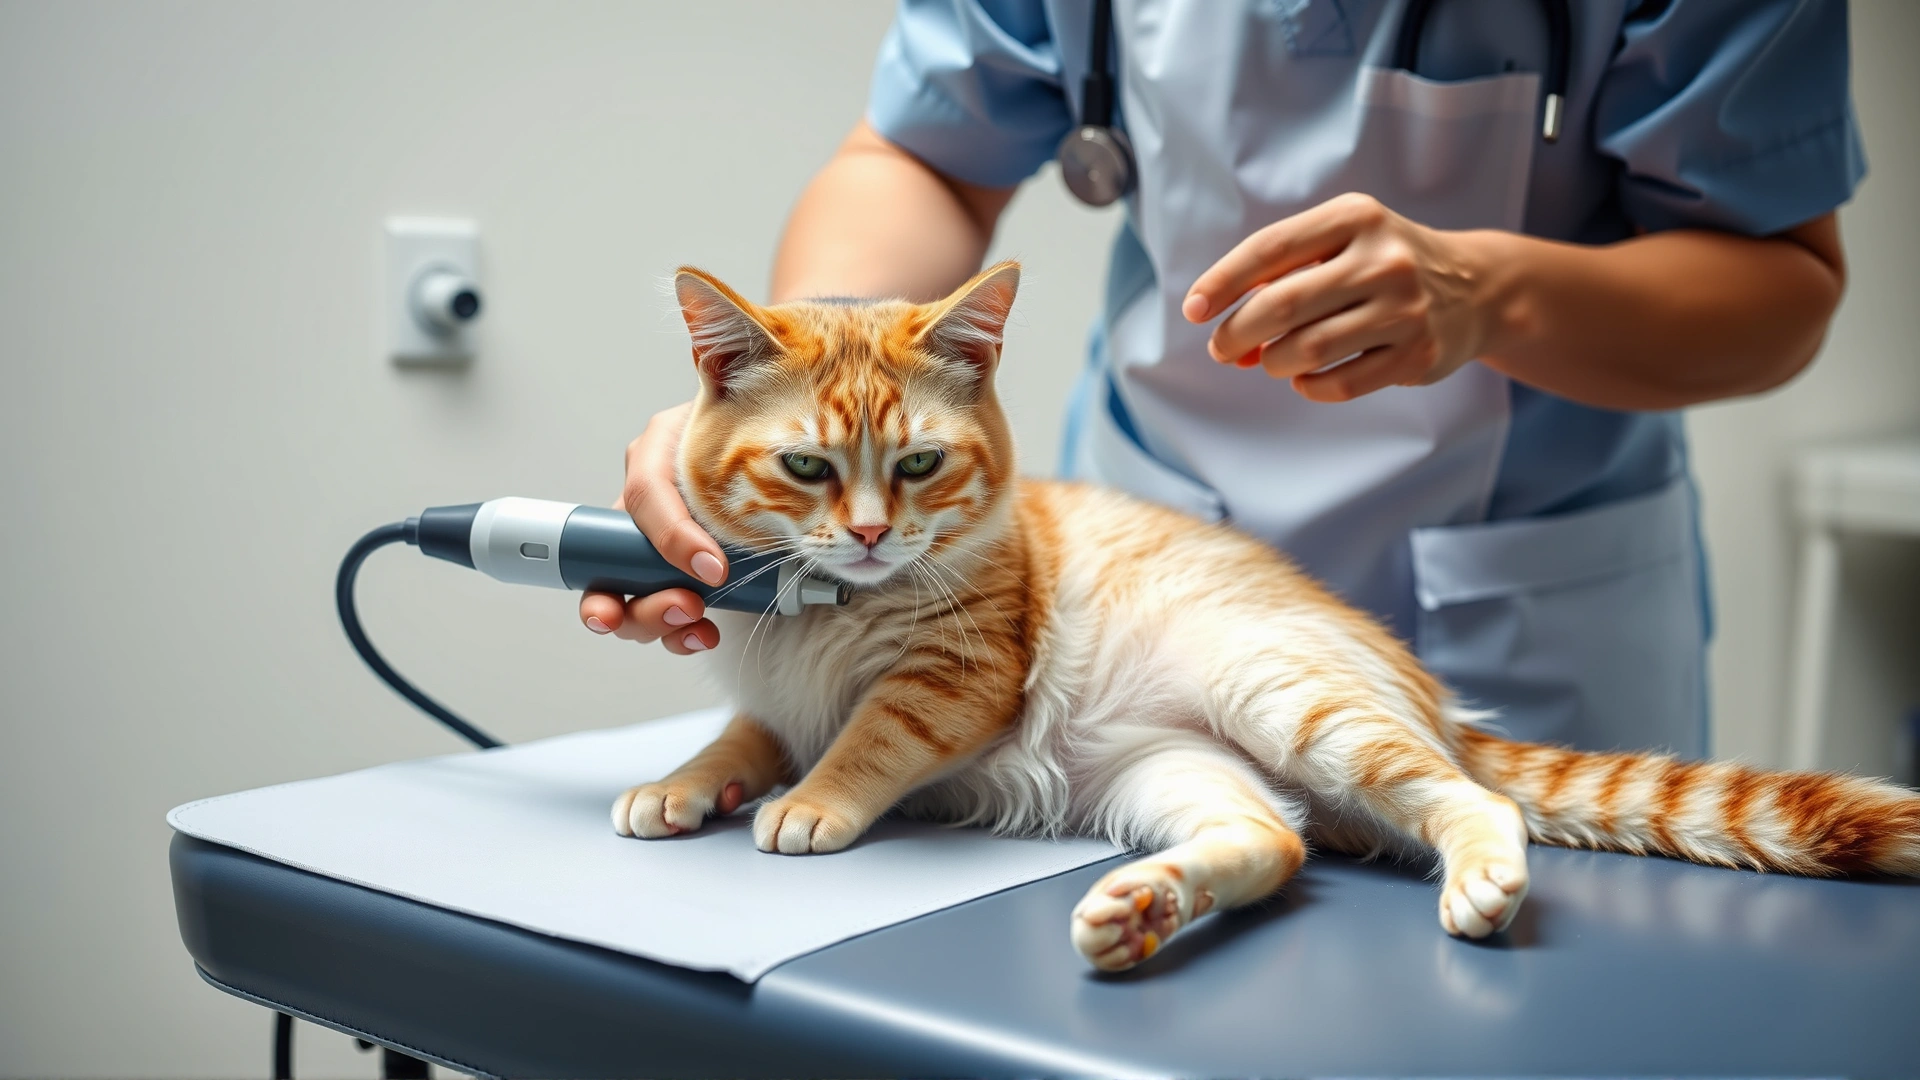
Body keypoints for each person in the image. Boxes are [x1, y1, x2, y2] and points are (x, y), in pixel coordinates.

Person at [579, 0, 1860, 758]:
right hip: (1139, 601)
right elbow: (921, 160)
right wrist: (791, 399)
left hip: (1519, 626)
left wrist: (1493, 294)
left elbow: (1782, 284)